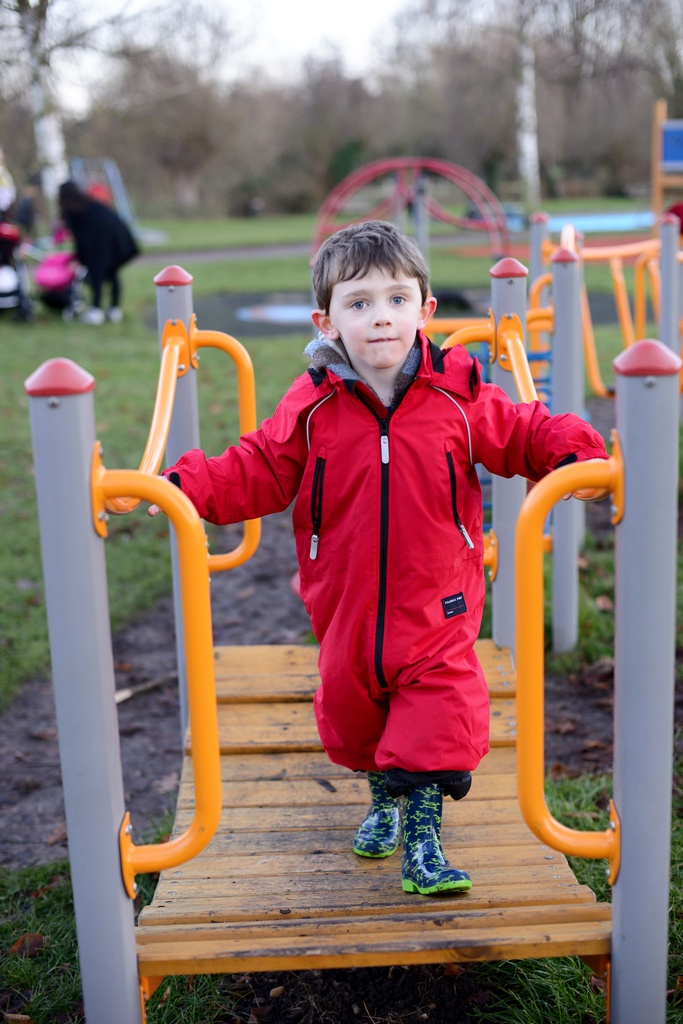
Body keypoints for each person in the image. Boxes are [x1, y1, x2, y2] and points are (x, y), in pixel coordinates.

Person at [148, 220, 609, 896]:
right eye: (359, 303)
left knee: (436, 717)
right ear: (327, 322)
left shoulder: (456, 395)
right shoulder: (313, 406)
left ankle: (423, 842)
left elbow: (520, 430)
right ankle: (380, 802)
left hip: (437, 598)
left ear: (424, 311)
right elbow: (258, 467)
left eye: (396, 299)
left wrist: (575, 451)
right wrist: (182, 486)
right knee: (355, 715)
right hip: (346, 601)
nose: (381, 317)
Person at [57, 179, 139, 325]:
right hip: (117, 239)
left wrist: (80, 258)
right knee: (110, 271)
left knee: (98, 272)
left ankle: (97, 310)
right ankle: (114, 309)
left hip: (104, 242)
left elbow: (81, 238)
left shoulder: (75, 211)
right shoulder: (89, 204)